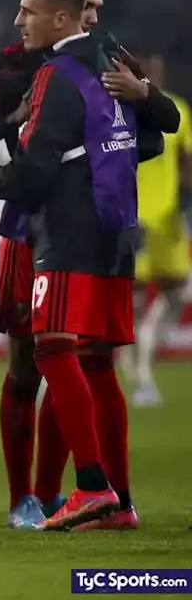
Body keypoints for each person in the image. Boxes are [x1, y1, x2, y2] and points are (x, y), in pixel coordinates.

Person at [0, 0, 168, 531]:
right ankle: (47, 500)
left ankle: (84, 489)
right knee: (55, 361)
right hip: (66, 221)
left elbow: (156, 132)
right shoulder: (17, 61)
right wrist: (18, 121)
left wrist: (80, 154)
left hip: (60, 220)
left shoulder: (94, 62)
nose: (93, 18)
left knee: (53, 350)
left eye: (96, 8)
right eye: (86, 7)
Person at [121, 53, 192, 406]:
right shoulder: (122, 112)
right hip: (136, 217)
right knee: (132, 299)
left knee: (178, 292)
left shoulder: (176, 108)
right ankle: (141, 378)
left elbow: (186, 162)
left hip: (169, 218)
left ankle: (142, 356)